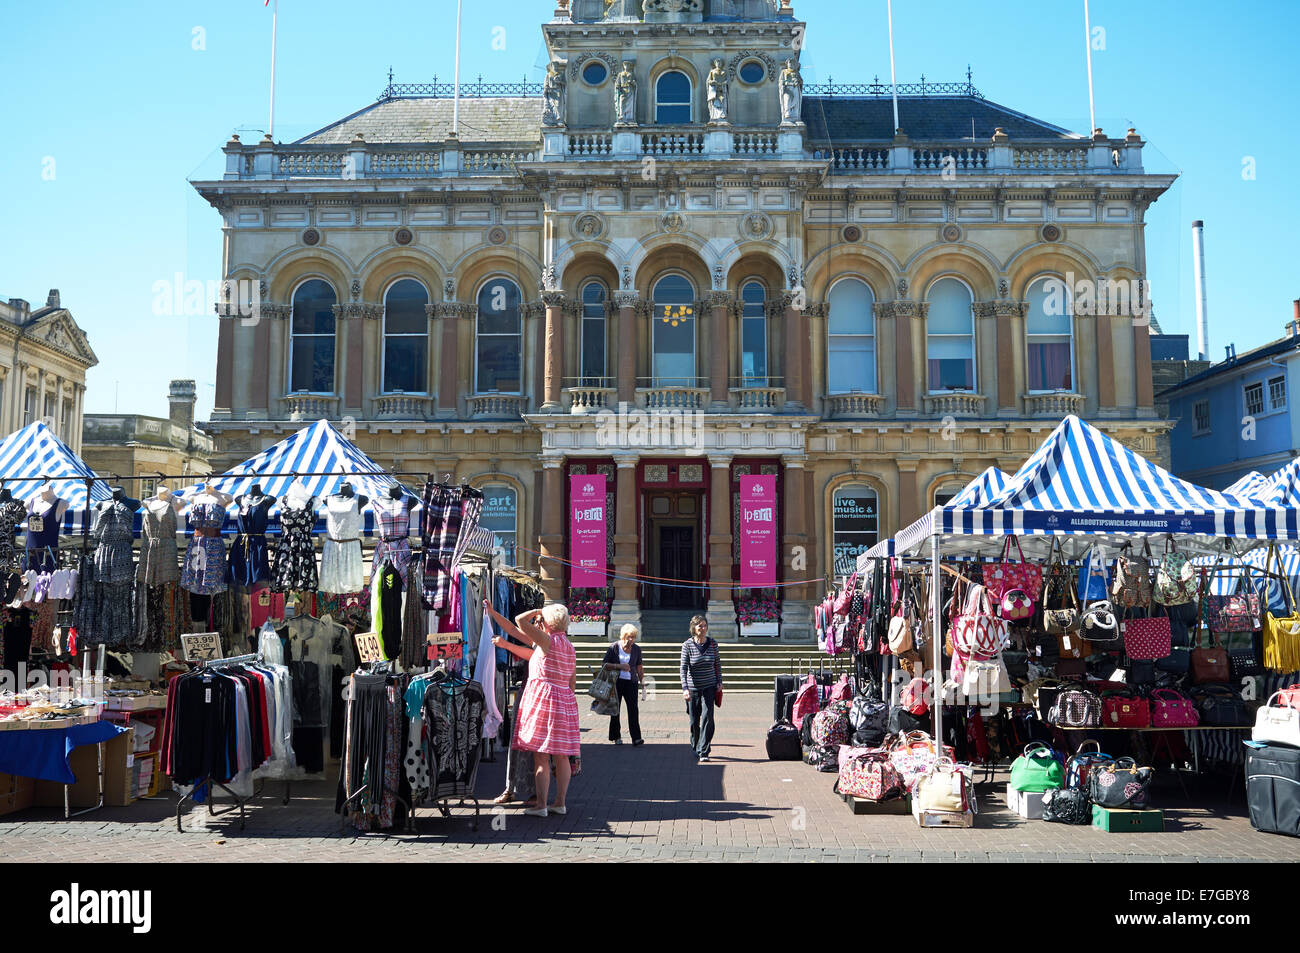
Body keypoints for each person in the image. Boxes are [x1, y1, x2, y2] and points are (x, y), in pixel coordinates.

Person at [485, 600, 580, 817]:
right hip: (565, 700)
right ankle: (560, 803)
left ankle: (541, 805)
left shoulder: (547, 640)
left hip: (545, 700)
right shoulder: (569, 647)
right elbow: (572, 682)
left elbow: (518, 621)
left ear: (548, 621)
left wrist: (539, 610)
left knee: (541, 755)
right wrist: (492, 612)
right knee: (562, 755)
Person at [680, 615, 723, 762]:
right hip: (693, 688)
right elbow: (683, 668)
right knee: (694, 720)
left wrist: (719, 682)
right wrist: (685, 688)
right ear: (694, 628)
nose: (703, 629)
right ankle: (696, 745)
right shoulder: (687, 645)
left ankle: (704, 749)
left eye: (705, 626)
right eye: (700, 626)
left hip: (709, 687)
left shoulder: (712, 644)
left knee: (707, 717)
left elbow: (717, 664)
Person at [602, 623, 644, 745]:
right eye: (629, 637)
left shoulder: (636, 649)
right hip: (616, 682)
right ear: (623, 636)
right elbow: (604, 665)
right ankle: (616, 736)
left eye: (633, 637)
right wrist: (619, 666)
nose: (631, 640)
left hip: (631, 683)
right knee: (615, 709)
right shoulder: (614, 647)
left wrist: (642, 682)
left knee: (633, 709)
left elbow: (639, 667)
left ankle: (636, 738)